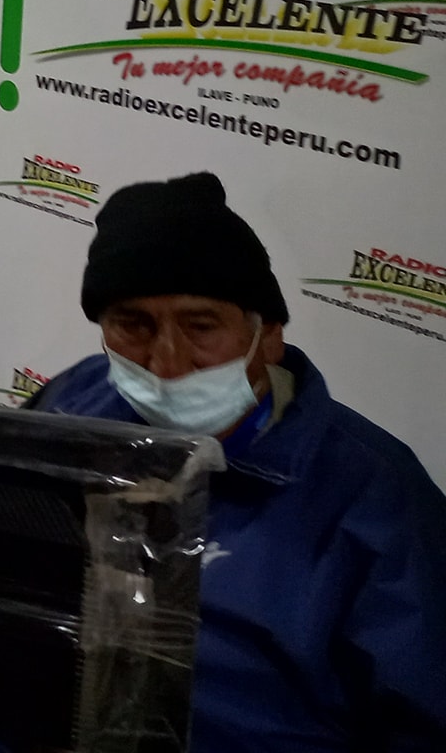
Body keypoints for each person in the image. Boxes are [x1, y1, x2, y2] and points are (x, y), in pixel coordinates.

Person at [28, 171, 446, 752]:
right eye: (132, 324)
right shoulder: (71, 405)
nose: (167, 362)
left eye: (200, 326)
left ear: (267, 336)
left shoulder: (374, 499)